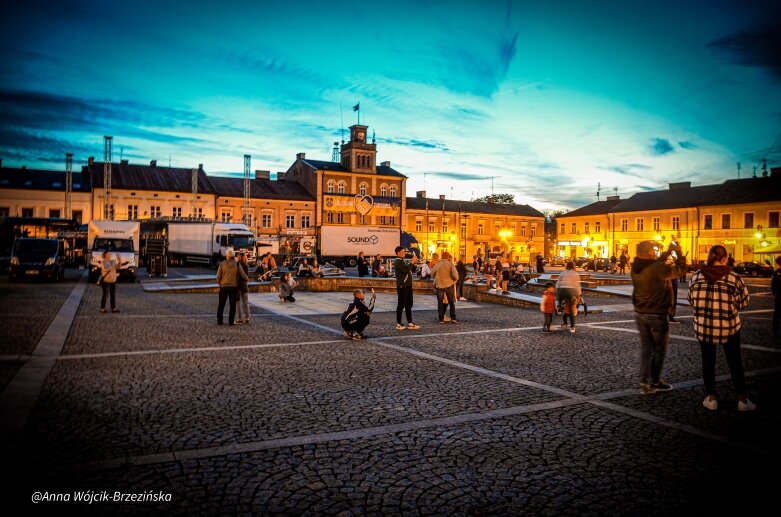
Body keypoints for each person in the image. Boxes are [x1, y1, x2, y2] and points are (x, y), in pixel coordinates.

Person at [688, 245, 754, 411]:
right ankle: (742, 400)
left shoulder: (696, 277)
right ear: (724, 258)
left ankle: (711, 398)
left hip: (704, 327)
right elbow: (744, 302)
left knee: (708, 362)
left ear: (709, 257)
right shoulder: (733, 277)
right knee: (735, 362)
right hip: (729, 327)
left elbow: (691, 300)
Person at [631, 240, 687, 395]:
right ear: (649, 252)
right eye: (653, 250)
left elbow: (655, 264)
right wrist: (679, 253)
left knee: (646, 348)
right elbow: (681, 270)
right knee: (659, 350)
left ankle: (644, 381)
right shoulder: (658, 268)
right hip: (657, 313)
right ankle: (655, 381)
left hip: (640, 312)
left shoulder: (636, 267)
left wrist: (667, 252)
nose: (655, 252)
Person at [216, 249, 247, 325]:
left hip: (223, 286)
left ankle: (220, 320)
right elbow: (243, 275)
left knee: (221, 304)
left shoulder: (222, 264)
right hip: (233, 287)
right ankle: (231, 321)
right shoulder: (237, 264)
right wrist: (247, 279)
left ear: (227, 256)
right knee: (232, 305)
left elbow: (218, 276)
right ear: (233, 256)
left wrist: (219, 283)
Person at [394, 245, 420, 330]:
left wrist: (414, 264)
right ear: (398, 253)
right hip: (402, 286)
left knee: (409, 305)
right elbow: (405, 271)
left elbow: (410, 270)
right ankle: (399, 323)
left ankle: (410, 322)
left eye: (404, 252)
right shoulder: (398, 262)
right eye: (402, 252)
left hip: (408, 286)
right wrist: (411, 262)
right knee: (401, 305)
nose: (404, 253)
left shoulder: (403, 261)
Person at [431, 251, 459, 324]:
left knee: (440, 302)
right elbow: (455, 275)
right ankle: (453, 318)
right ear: (447, 257)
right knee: (451, 302)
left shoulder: (438, 264)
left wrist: (437, 278)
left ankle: (441, 318)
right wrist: (453, 280)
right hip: (448, 285)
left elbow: (432, 273)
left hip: (439, 285)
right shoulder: (450, 264)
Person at [555, 261, 581, 334]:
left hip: (563, 290)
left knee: (560, 298)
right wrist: (578, 295)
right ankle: (572, 327)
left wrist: (557, 293)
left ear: (567, 266)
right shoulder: (576, 274)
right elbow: (577, 285)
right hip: (571, 291)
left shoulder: (563, 273)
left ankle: (559, 306)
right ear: (573, 266)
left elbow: (558, 283)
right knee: (571, 310)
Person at [235, 252, 250, 324]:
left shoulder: (237, 265)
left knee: (238, 303)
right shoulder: (246, 265)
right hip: (244, 286)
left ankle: (240, 318)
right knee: (246, 303)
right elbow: (247, 276)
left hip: (238, 286)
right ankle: (247, 318)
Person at [773, 255, 781, 338]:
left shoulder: (776, 272)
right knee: (777, 316)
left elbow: (773, 286)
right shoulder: (776, 273)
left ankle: (776, 331)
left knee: (777, 316)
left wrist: (775, 294)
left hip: (779, 297)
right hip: (778, 297)